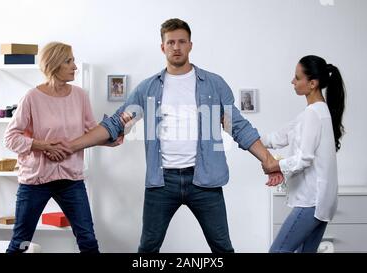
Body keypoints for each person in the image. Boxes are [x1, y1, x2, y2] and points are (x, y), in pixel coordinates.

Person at [50, 18, 283, 253]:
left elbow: (238, 127)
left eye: (182, 41)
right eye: (170, 42)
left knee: (222, 248)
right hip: (162, 182)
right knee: (148, 249)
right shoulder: (147, 88)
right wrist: (71, 145)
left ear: (191, 45)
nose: (176, 47)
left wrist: (268, 159)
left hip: (205, 181)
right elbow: (115, 124)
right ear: (162, 47)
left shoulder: (214, 84)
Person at [4, 42, 101, 253]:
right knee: (21, 242)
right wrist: (42, 145)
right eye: (69, 61)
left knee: (88, 240)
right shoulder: (31, 97)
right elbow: (10, 138)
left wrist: (114, 134)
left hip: (71, 180)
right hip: (35, 181)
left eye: (73, 61)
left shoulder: (80, 96)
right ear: (55, 64)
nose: (75, 66)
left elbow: (93, 131)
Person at [262, 55, 346, 253]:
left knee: (277, 251)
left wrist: (275, 166)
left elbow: (304, 158)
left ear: (312, 84)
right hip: (323, 202)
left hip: (312, 202)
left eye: (297, 78)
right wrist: (237, 130)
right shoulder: (317, 112)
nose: (293, 81)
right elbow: (277, 138)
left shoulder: (313, 114)